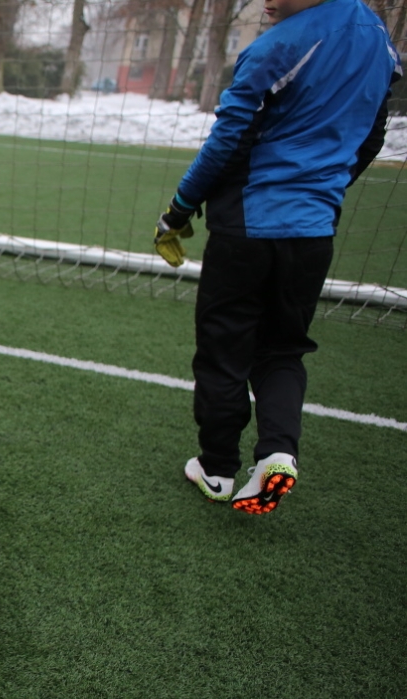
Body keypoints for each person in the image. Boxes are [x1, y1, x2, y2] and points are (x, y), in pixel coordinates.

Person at [153, 0, 401, 514]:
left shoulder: (278, 46)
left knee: (224, 347)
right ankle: (277, 454)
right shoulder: (378, 39)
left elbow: (227, 142)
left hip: (249, 226)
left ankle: (217, 469)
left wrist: (179, 209)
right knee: (283, 349)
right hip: (313, 231)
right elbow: (371, 136)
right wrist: (323, 189)